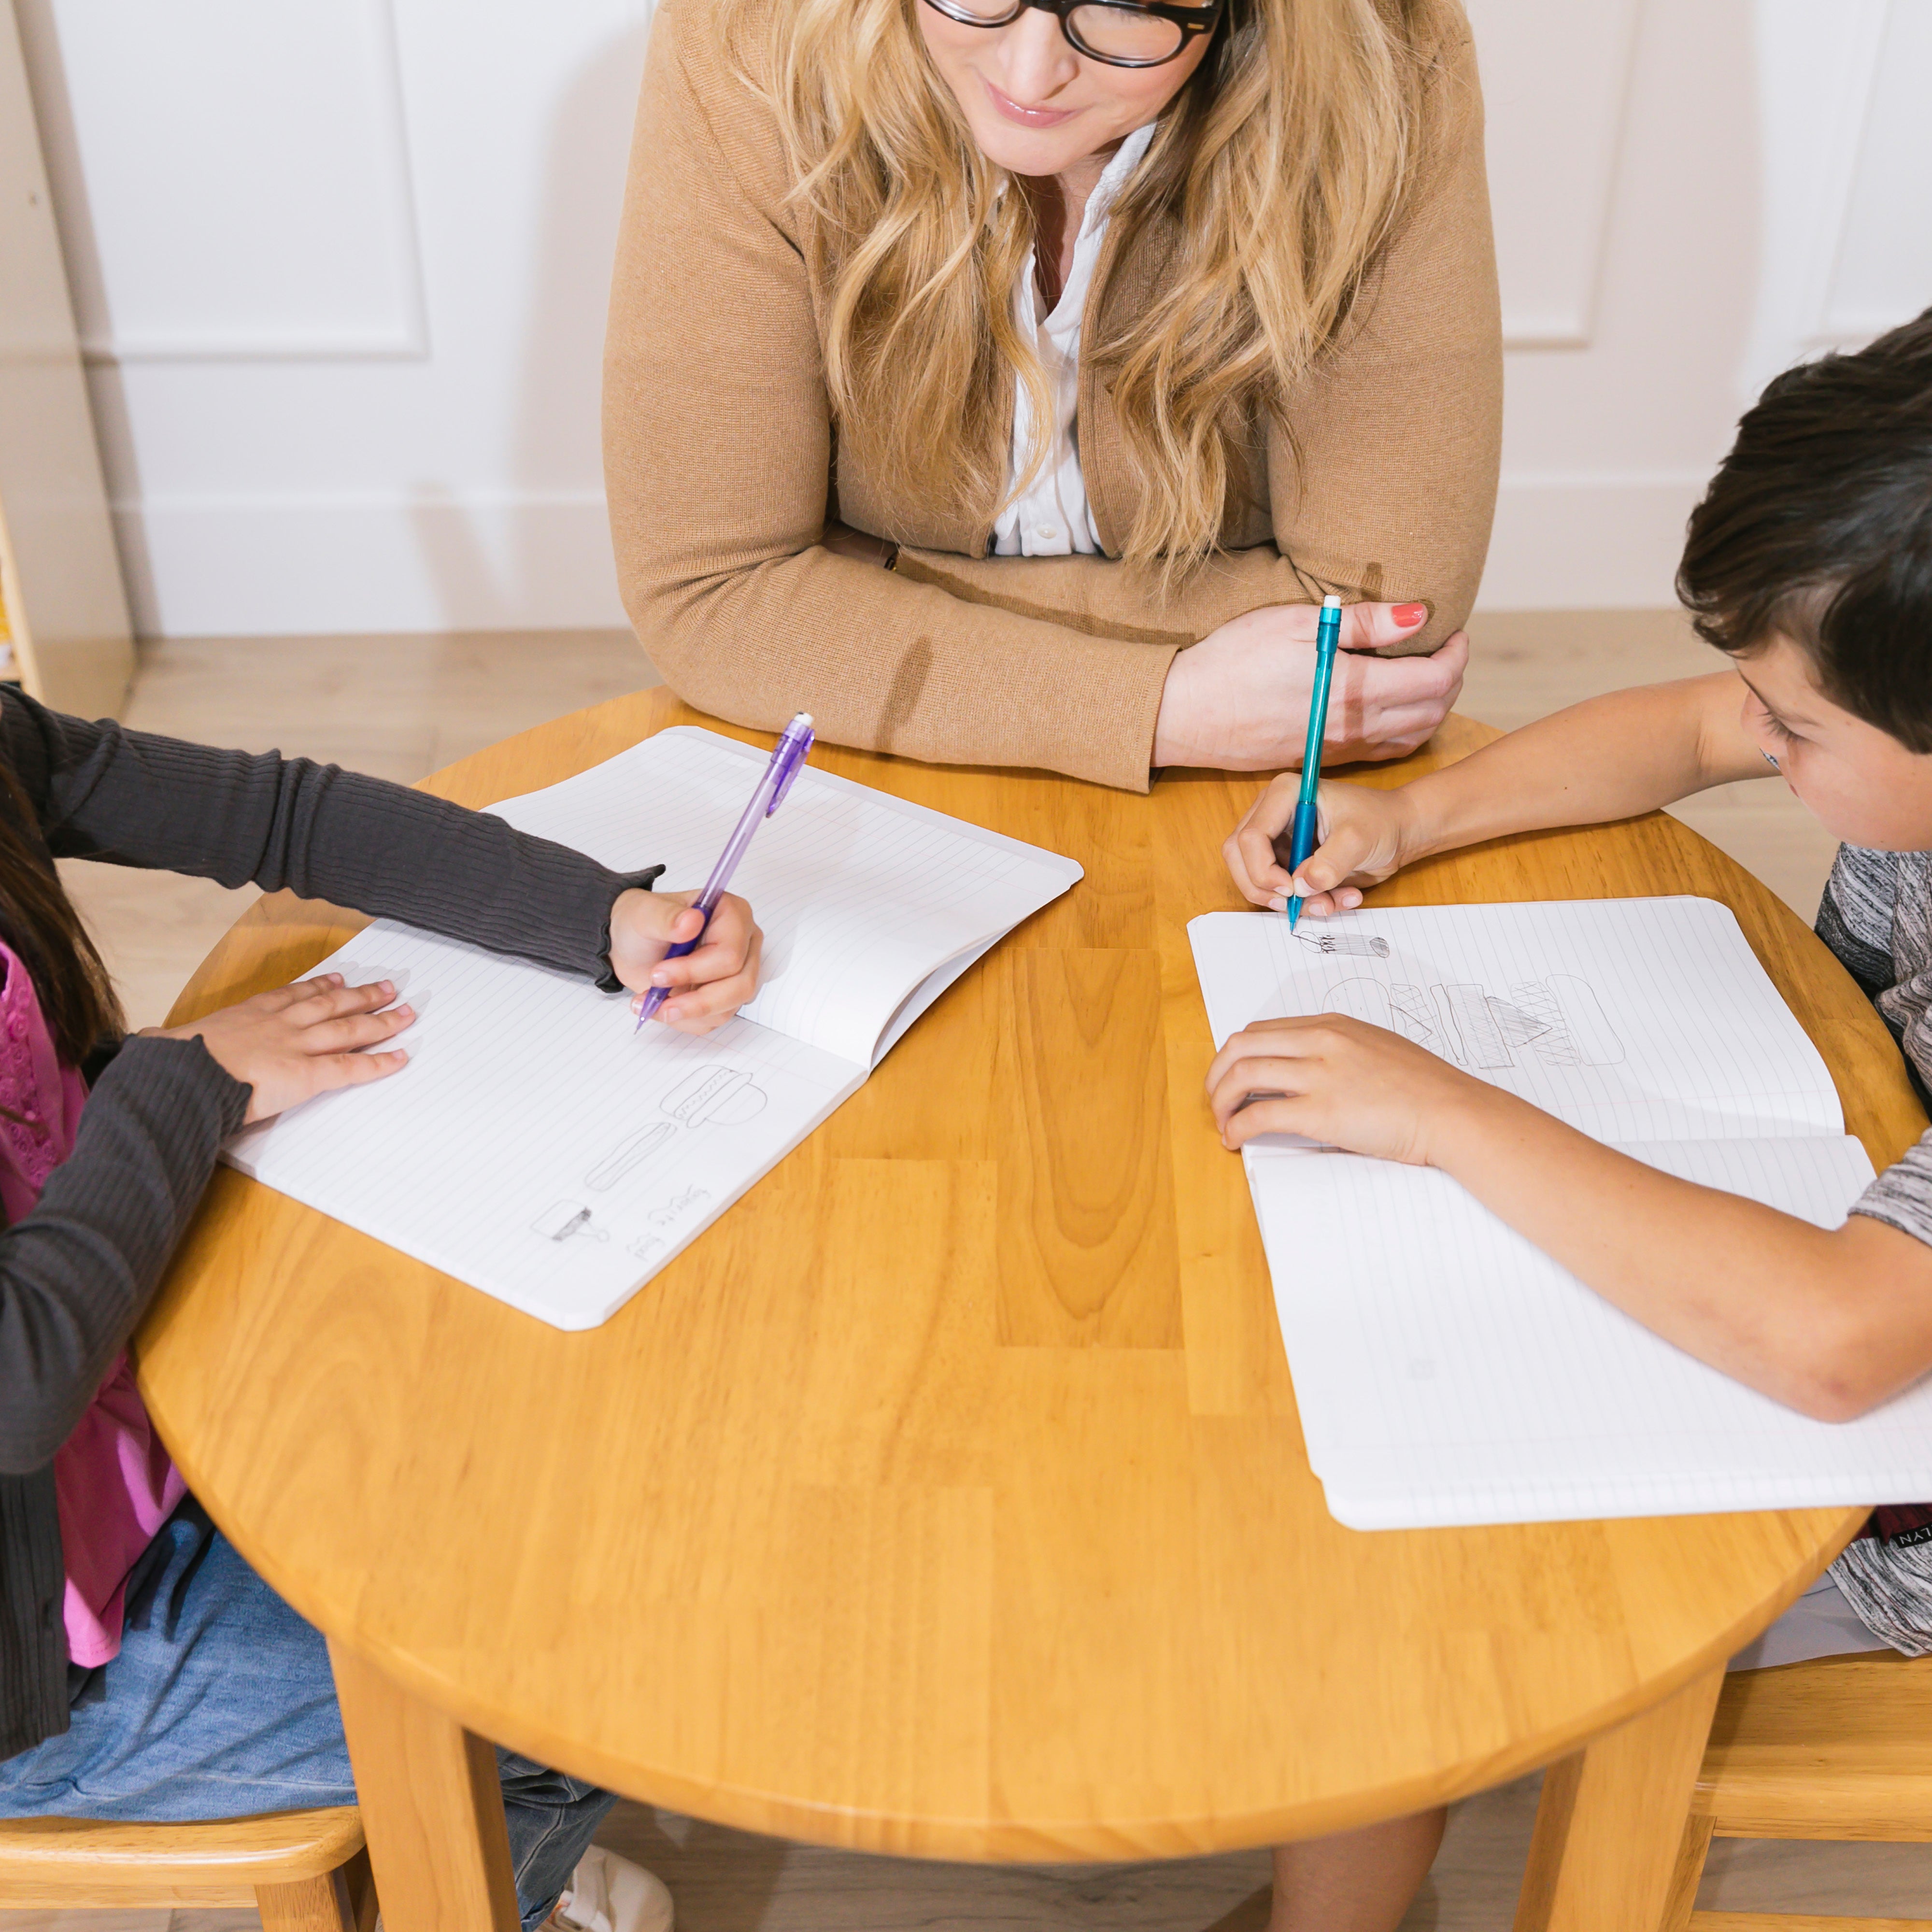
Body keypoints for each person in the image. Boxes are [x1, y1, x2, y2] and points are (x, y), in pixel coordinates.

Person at [1213, 311, 1932, 1927]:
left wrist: (1443, 1113)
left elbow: (1839, 1343)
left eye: (1797, 728)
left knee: (1419, 1555)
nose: (1754, 733)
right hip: (1846, 1193)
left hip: (1894, 1483)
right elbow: (1690, 727)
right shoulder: (1886, 711)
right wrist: (1412, 812)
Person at [0, 690, 762, 1932]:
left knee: (585, 1481)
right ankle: (484, 1872)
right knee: (583, 1683)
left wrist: (603, 918)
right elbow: (16, 1382)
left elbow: (283, 813)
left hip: (130, 1397)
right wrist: (172, 1086)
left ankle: (484, 1848)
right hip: (49, 1664)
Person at [602, 0, 1499, 792]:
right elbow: (713, 594)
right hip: (844, 771)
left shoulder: (1390, 49)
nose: (1031, 70)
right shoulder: (746, 35)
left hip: (1255, 787)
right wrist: (1165, 705)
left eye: (1121, 3)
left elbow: (1379, 622)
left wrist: (855, 592)